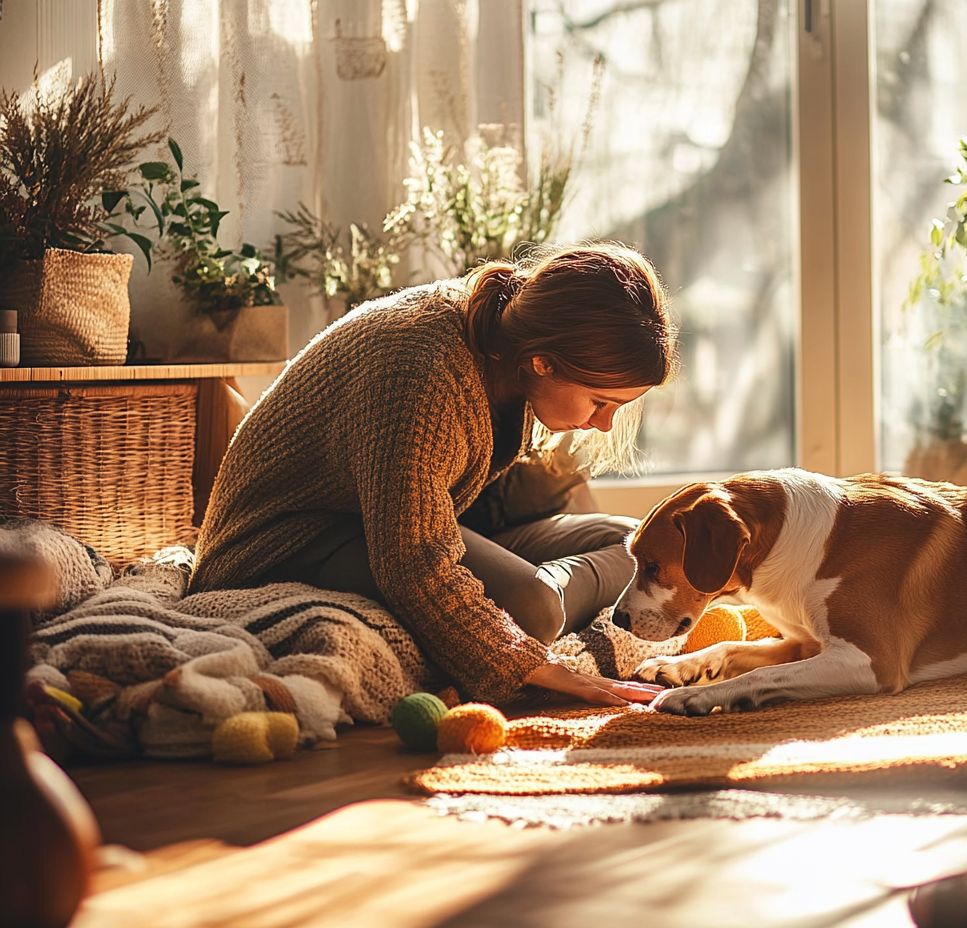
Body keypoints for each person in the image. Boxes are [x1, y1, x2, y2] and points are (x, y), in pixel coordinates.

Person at [189, 243, 678, 708]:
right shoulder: (421, 366)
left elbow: (434, 516)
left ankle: (525, 591)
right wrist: (526, 658)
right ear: (543, 361)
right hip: (289, 539)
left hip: (398, 523)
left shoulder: (512, 357)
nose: (603, 423)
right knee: (534, 611)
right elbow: (412, 560)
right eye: (600, 402)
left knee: (634, 544)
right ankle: (532, 598)